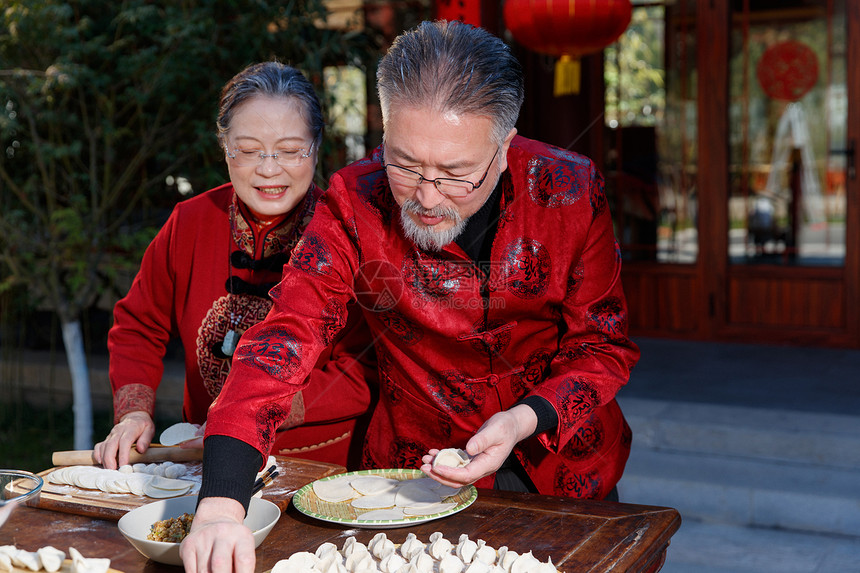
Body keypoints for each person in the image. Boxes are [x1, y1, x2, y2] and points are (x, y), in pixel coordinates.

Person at [181, 21, 639, 572]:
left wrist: (523, 418)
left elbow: (603, 346)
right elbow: (284, 338)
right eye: (403, 164)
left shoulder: (571, 190)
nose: (426, 197)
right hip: (417, 480)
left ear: (504, 144)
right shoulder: (353, 201)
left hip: (564, 465)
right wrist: (221, 504)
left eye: (455, 173)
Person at [93, 62, 376, 471]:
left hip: (318, 468)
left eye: (291, 150)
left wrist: (255, 409)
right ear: (223, 146)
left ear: (317, 146)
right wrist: (133, 413)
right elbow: (139, 325)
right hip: (203, 458)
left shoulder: (349, 235)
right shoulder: (190, 222)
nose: (268, 168)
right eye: (247, 150)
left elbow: (363, 367)